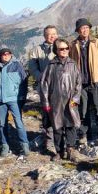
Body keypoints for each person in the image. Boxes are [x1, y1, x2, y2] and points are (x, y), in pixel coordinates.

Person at [39, 39, 84, 162]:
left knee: (71, 126)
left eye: (66, 48)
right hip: (55, 102)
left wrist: (75, 99)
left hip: (70, 102)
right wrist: (46, 103)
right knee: (57, 128)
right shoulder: (51, 65)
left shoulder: (73, 64)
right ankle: (59, 152)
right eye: (61, 49)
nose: (64, 51)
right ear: (56, 50)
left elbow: (78, 84)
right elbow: (44, 85)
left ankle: (71, 150)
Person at [69, 18, 98, 147]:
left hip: (95, 82)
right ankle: (84, 135)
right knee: (82, 111)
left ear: (89, 29)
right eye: (82, 28)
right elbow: (70, 64)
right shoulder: (73, 45)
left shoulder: (97, 43)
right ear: (78, 31)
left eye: (86, 27)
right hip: (80, 84)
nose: (85, 30)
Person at [0, 47, 30, 160]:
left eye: (8, 54)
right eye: (3, 54)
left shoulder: (16, 65)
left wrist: (23, 97)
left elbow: (24, 82)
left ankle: (24, 145)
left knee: (18, 122)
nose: (6, 55)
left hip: (14, 99)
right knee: (2, 123)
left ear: (11, 54)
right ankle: (5, 145)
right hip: (0, 99)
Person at [28, 25, 58, 153]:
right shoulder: (37, 50)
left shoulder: (62, 47)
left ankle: (61, 139)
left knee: (60, 113)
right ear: (44, 36)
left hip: (60, 87)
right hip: (44, 87)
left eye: (54, 34)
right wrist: (41, 77)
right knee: (47, 113)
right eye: (49, 34)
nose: (52, 36)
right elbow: (32, 67)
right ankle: (49, 140)